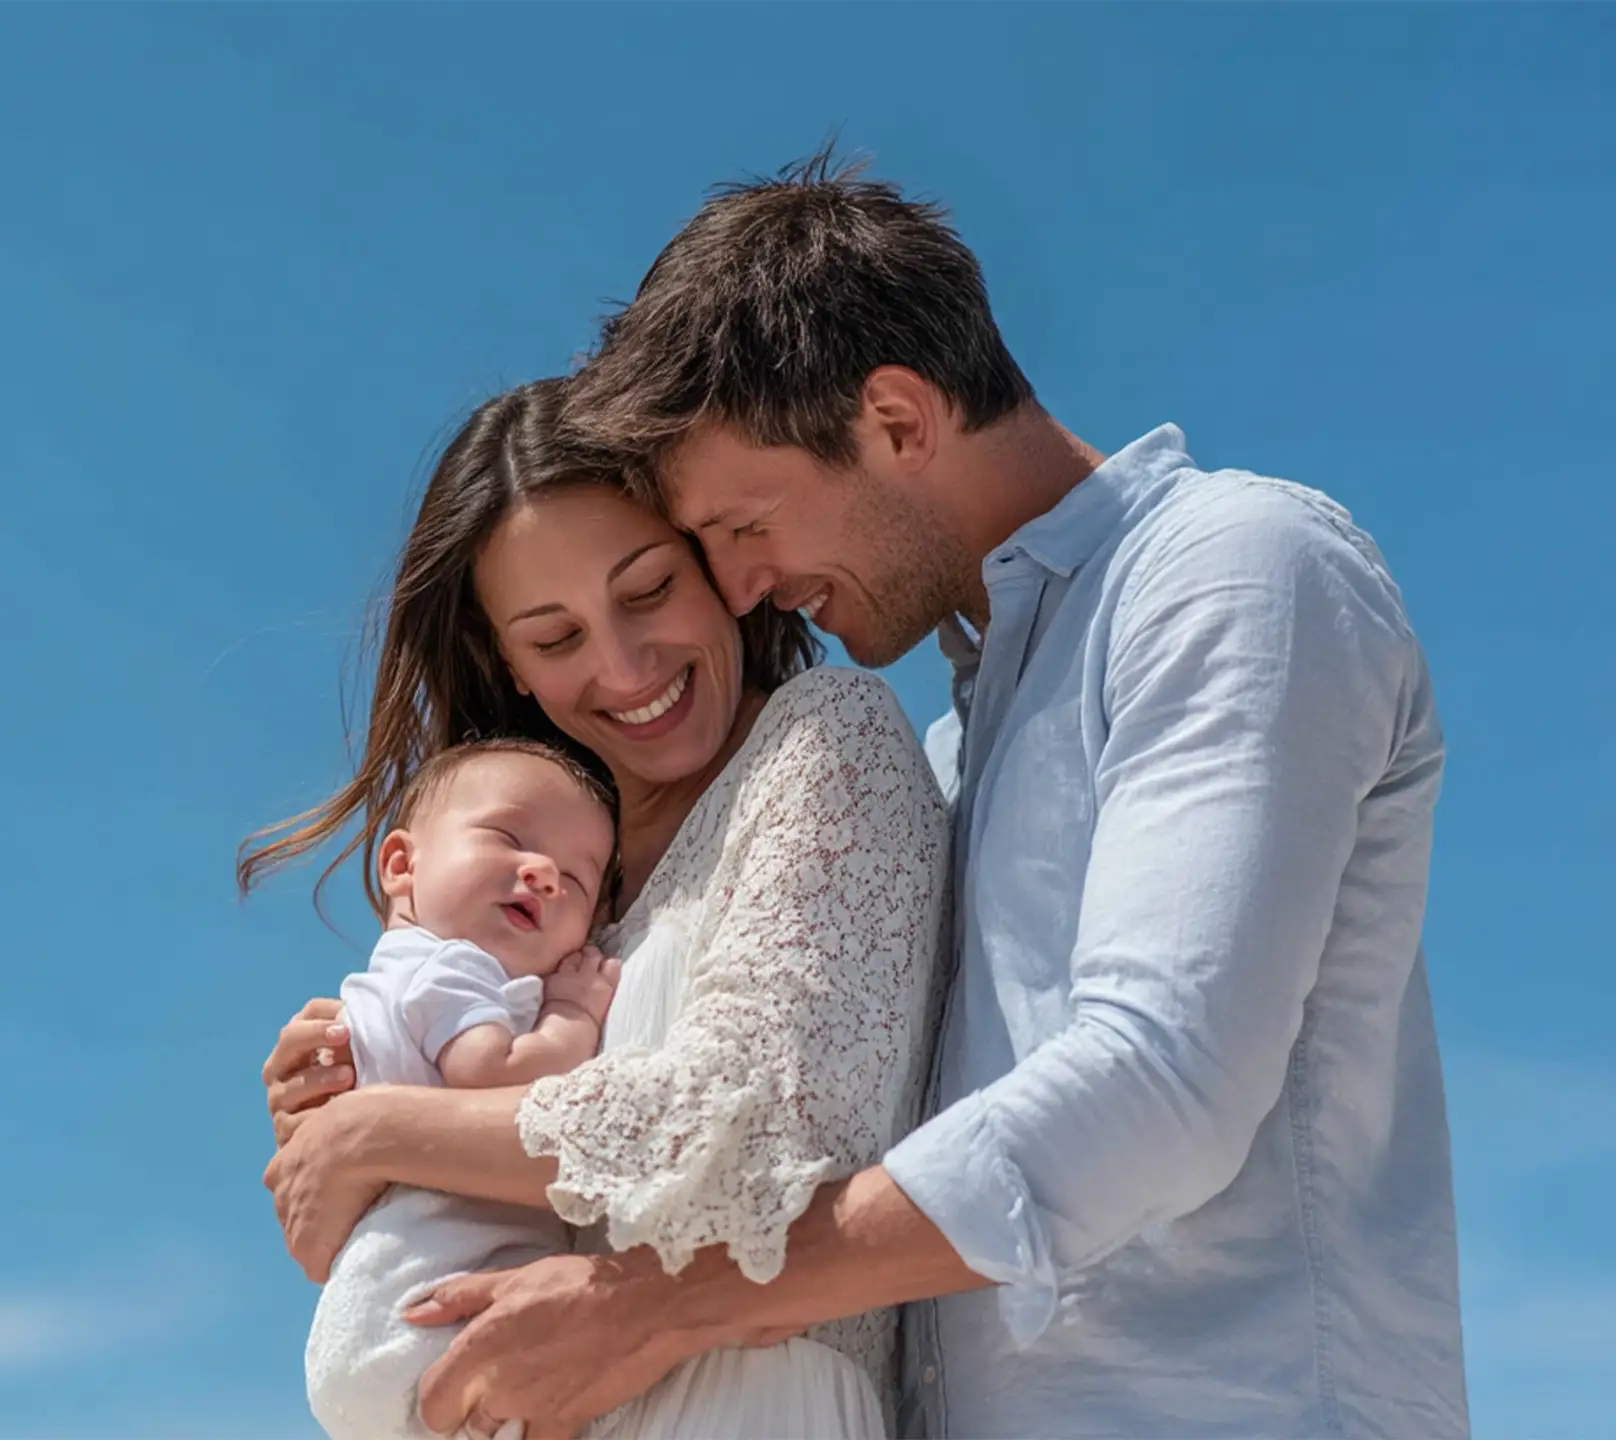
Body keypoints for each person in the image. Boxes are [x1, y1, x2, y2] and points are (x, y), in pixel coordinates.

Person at [268, 152, 1468, 1439]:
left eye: (741, 526)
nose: (736, 586)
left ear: (896, 422)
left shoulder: (1229, 571)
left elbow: (1160, 1080)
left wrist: (669, 1303)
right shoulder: (955, 752)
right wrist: (395, 1062)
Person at [249, 378, 950, 1437]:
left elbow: (766, 1128)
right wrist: (343, 1103)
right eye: (555, 636)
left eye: (647, 589)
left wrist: (382, 1129)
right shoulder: (524, 895)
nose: (622, 666)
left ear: (717, 562)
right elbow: (326, 1243)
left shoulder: (824, 741)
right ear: (508, 667)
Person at [290, 738, 622, 1440]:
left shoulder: (392, 975)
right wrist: (572, 1015)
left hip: (376, 1311)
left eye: (578, 880)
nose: (543, 874)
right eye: (509, 839)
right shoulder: (455, 968)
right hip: (438, 1292)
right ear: (402, 865)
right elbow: (495, 1075)